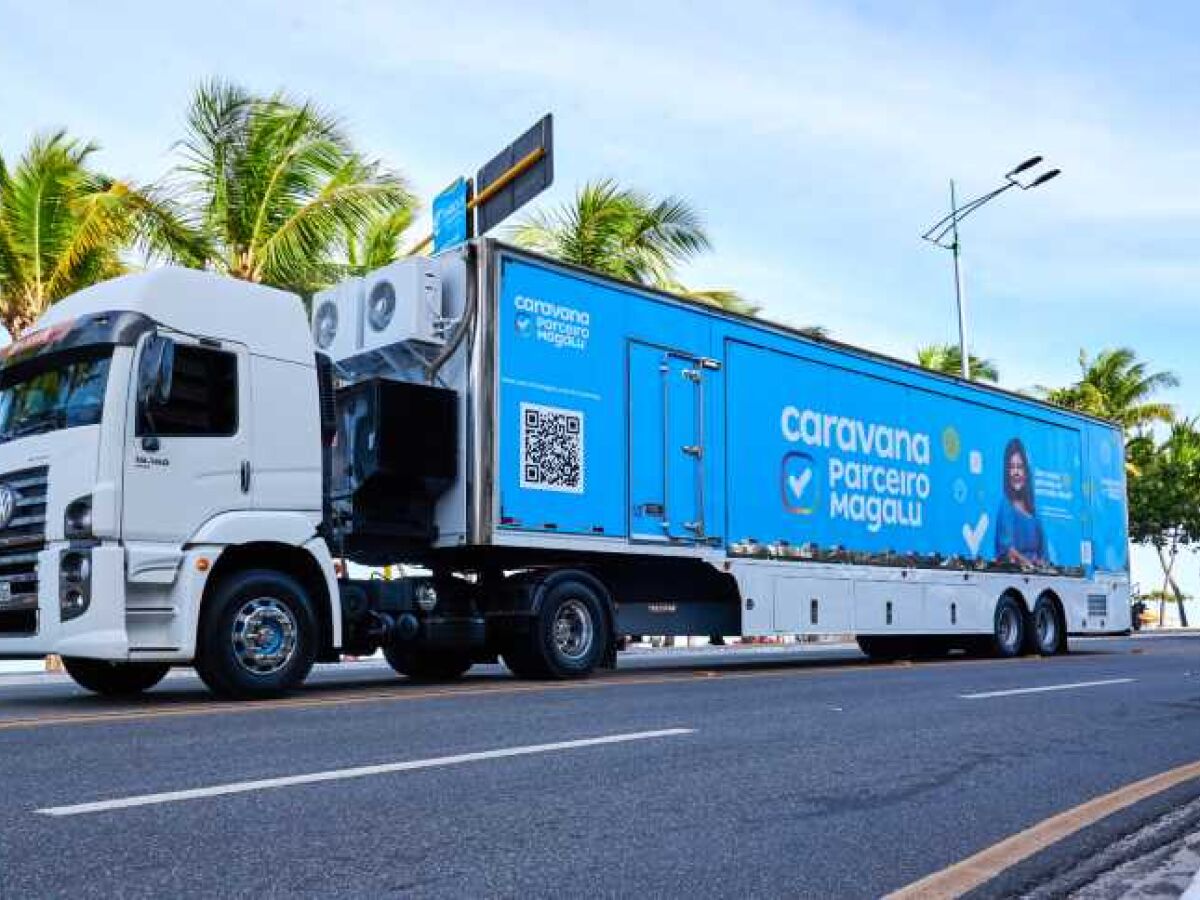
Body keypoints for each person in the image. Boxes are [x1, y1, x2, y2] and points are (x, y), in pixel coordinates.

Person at [994, 437, 1046, 568]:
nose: (1016, 472)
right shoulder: (1006, 506)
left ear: (1026, 472)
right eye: (1011, 467)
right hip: (1015, 572)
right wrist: (1028, 564)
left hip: (1037, 576)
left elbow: (1044, 552)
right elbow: (1006, 549)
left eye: (1020, 467)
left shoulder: (1034, 511)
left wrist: (1041, 564)